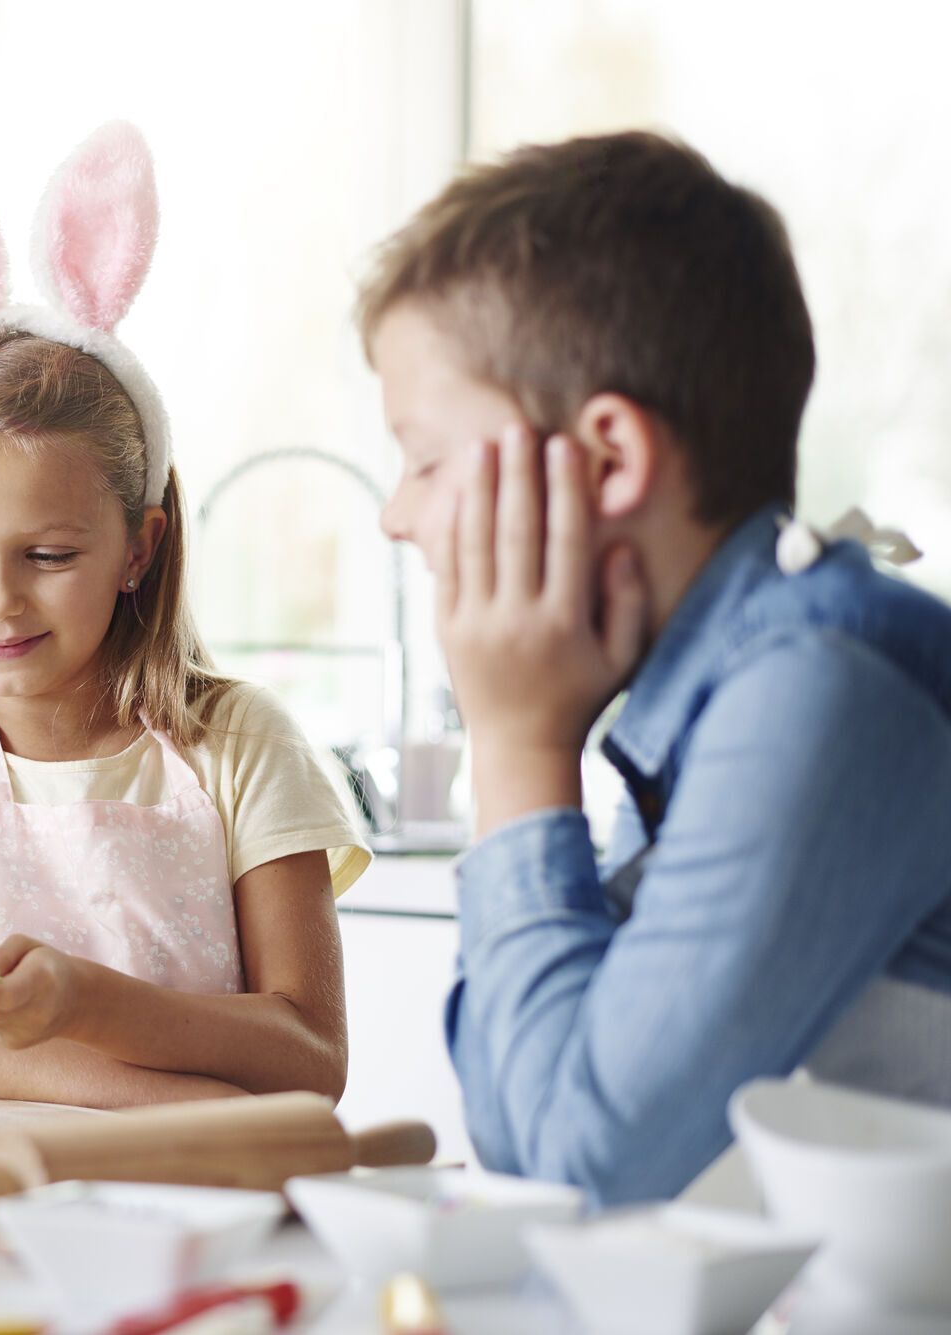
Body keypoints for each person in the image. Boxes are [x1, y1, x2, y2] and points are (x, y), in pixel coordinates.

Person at [360, 130, 951, 1204]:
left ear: (608, 459)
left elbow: (587, 1168)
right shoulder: (707, 699)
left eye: (424, 458)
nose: (395, 515)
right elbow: (517, 1126)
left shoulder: (819, 684)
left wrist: (513, 744)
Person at [0, 118, 369, 1110]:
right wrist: (191, 1109)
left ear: (139, 547)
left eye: (47, 555)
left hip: (208, 1204)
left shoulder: (242, 744)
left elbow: (308, 1054)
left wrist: (87, 1003)